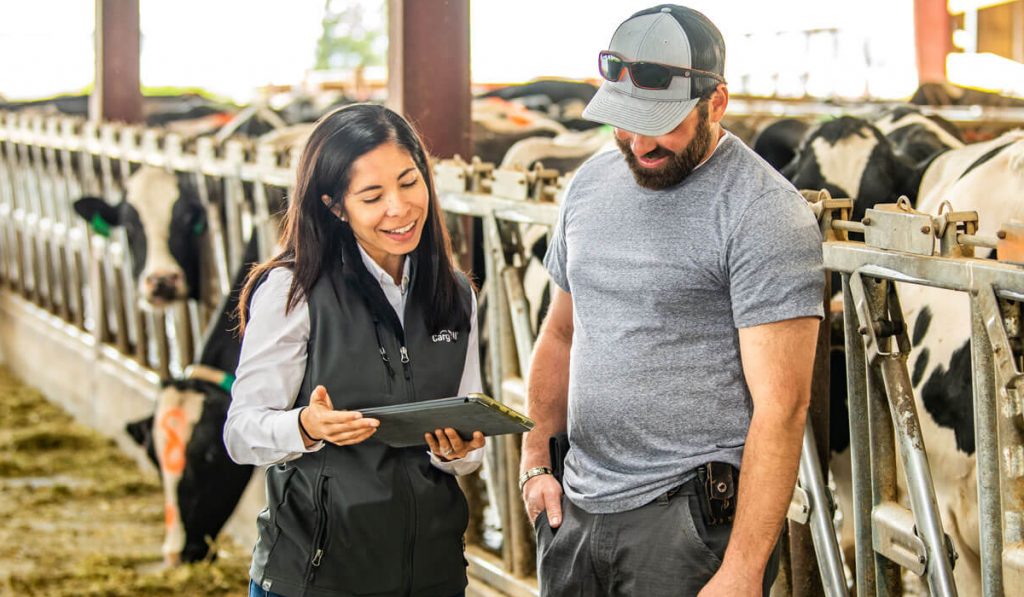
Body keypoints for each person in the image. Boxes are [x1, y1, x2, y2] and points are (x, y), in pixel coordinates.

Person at [520, 5, 824, 596]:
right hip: (575, 506)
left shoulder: (763, 212)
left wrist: (739, 571)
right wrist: (537, 461)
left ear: (716, 103)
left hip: (688, 523)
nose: (637, 142)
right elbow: (560, 333)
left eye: (659, 122)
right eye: (622, 121)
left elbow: (782, 407)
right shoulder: (587, 186)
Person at [224, 104, 485, 597]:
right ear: (335, 206)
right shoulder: (293, 290)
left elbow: (465, 448)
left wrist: (460, 451)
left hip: (432, 575)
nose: (400, 208)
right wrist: (304, 426)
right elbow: (241, 432)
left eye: (410, 183)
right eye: (372, 196)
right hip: (318, 577)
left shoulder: (454, 293)